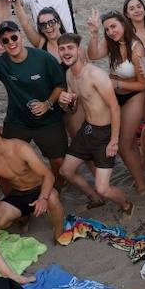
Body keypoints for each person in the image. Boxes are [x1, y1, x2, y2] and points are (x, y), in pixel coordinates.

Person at [0, 19, 68, 176]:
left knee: (59, 162)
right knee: (4, 159)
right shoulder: (1, 62)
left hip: (49, 120)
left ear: (21, 37)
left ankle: (57, 188)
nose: (11, 43)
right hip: (18, 121)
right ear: (1, 43)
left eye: (14, 37)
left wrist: (47, 104)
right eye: (5, 40)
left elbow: (60, 85)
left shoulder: (43, 58)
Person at [58, 32, 130, 211]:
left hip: (105, 133)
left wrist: (114, 140)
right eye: (62, 49)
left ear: (78, 50)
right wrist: (67, 103)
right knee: (65, 171)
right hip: (88, 129)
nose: (66, 52)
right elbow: (73, 108)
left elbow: (114, 107)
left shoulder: (95, 75)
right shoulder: (69, 75)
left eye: (70, 48)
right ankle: (94, 198)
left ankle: (127, 205)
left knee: (103, 188)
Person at [87, 8, 145, 191]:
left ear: (123, 24)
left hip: (135, 96)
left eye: (113, 26)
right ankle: (139, 171)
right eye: (107, 29)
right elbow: (92, 55)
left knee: (123, 145)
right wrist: (94, 33)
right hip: (115, 96)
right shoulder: (111, 43)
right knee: (129, 144)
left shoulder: (139, 50)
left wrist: (118, 85)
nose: (111, 32)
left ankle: (142, 186)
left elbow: (143, 84)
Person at [0, 121, 67, 242]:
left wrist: (43, 198)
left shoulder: (20, 148)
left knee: (52, 197)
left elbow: (48, 175)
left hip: (39, 188)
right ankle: (23, 215)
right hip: (18, 194)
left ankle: (59, 233)